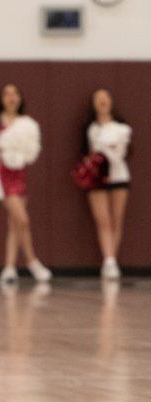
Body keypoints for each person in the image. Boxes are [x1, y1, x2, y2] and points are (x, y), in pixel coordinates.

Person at [0, 83, 51, 285]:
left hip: (19, 171)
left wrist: (23, 150)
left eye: (15, 94)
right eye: (7, 94)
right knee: (23, 219)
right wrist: (3, 145)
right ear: (1, 98)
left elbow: (31, 148)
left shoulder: (26, 123)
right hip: (2, 172)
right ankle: (32, 261)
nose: (11, 98)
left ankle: (9, 267)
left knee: (15, 223)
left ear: (20, 98)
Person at [83, 88, 132, 280]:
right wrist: (106, 149)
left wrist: (108, 149)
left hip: (119, 176)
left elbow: (118, 154)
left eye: (105, 98)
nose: (102, 101)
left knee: (116, 219)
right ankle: (109, 260)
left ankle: (112, 259)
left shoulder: (122, 128)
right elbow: (95, 152)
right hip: (97, 178)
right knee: (102, 220)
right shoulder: (92, 129)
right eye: (98, 99)